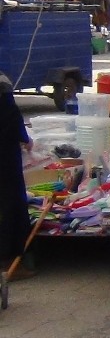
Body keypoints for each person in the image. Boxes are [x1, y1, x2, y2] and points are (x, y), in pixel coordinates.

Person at [0, 71, 32, 278]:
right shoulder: (3, 88)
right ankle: (9, 262)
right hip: (5, 161)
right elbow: (12, 120)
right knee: (10, 206)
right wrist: (25, 138)